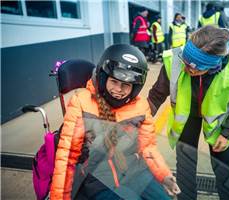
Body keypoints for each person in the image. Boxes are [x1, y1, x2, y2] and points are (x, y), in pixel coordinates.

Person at [50, 44, 180, 199]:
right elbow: (67, 155)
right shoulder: (82, 102)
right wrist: (59, 197)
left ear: (136, 87)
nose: (119, 89)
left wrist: (164, 175)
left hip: (132, 171)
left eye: (126, 85)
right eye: (114, 81)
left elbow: (148, 148)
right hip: (98, 179)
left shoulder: (140, 106)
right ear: (103, 76)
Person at [148, 25, 229, 200]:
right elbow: (155, 96)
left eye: (193, 69)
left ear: (214, 65)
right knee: (185, 165)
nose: (185, 70)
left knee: (225, 169)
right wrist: (138, 120)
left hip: (220, 123)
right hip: (187, 116)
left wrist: (227, 133)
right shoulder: (175, 59)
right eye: (185, 63)